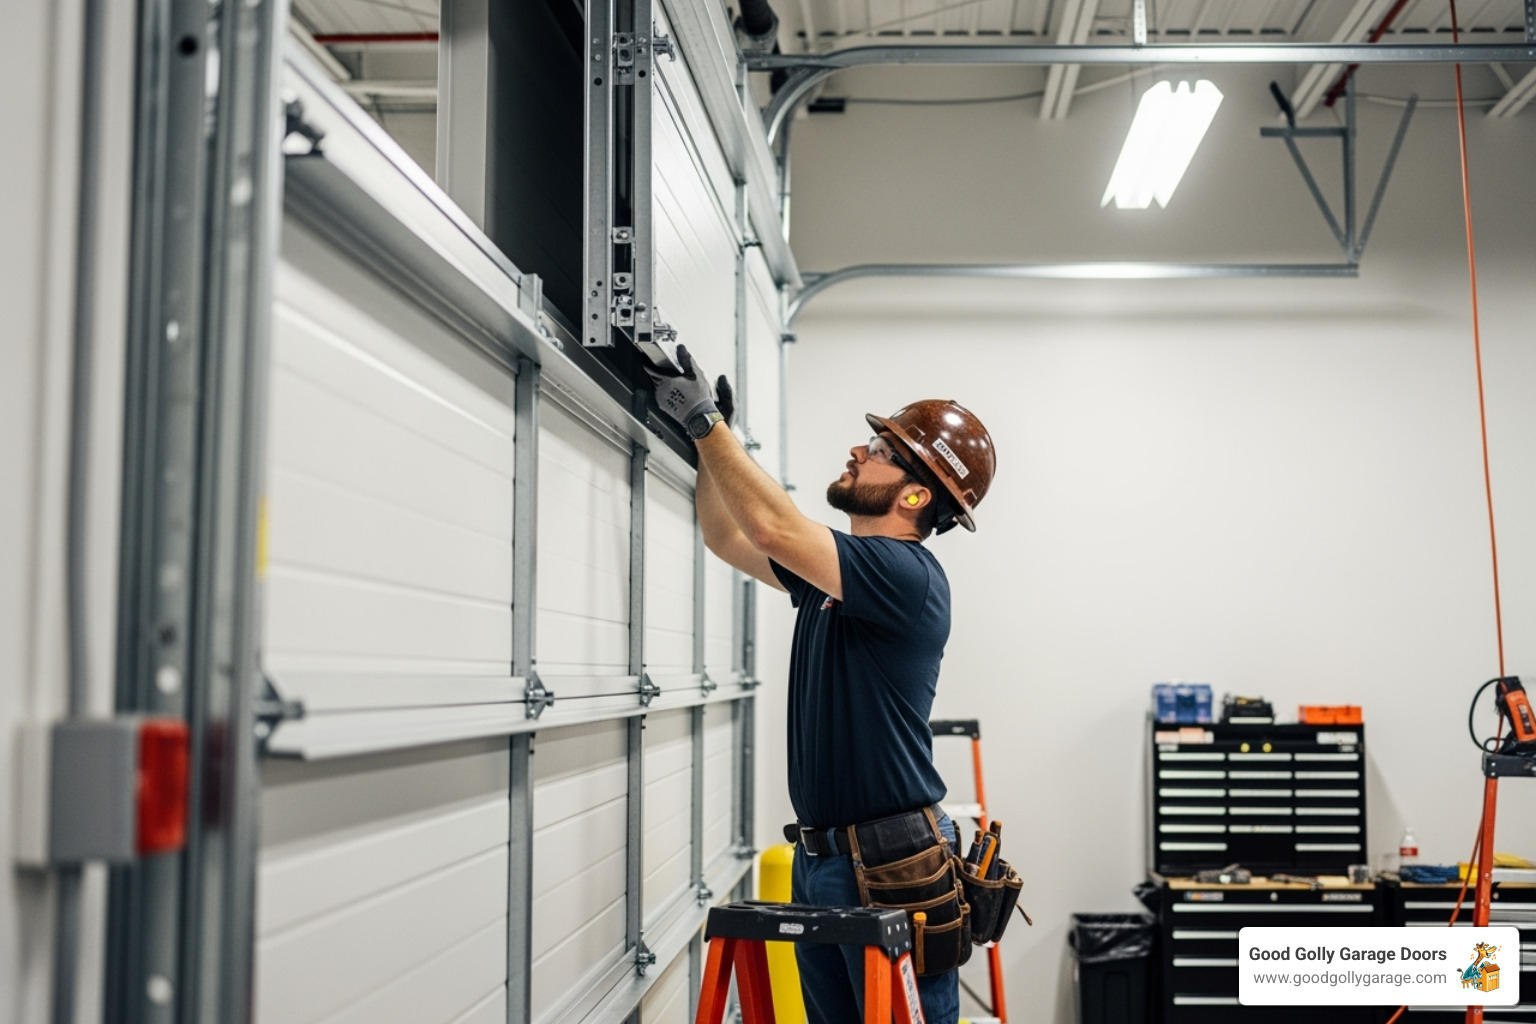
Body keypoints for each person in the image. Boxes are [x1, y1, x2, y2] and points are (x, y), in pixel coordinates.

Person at [647, 346, 996, 1024]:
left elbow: (772, 525)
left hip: (892, 867)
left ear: (916, 495)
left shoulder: (905, 575)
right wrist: (708, 445)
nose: (858, 452)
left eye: (880, 450)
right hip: (823, 861)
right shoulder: (837, 576)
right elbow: (728, 536)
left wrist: (707, 423)